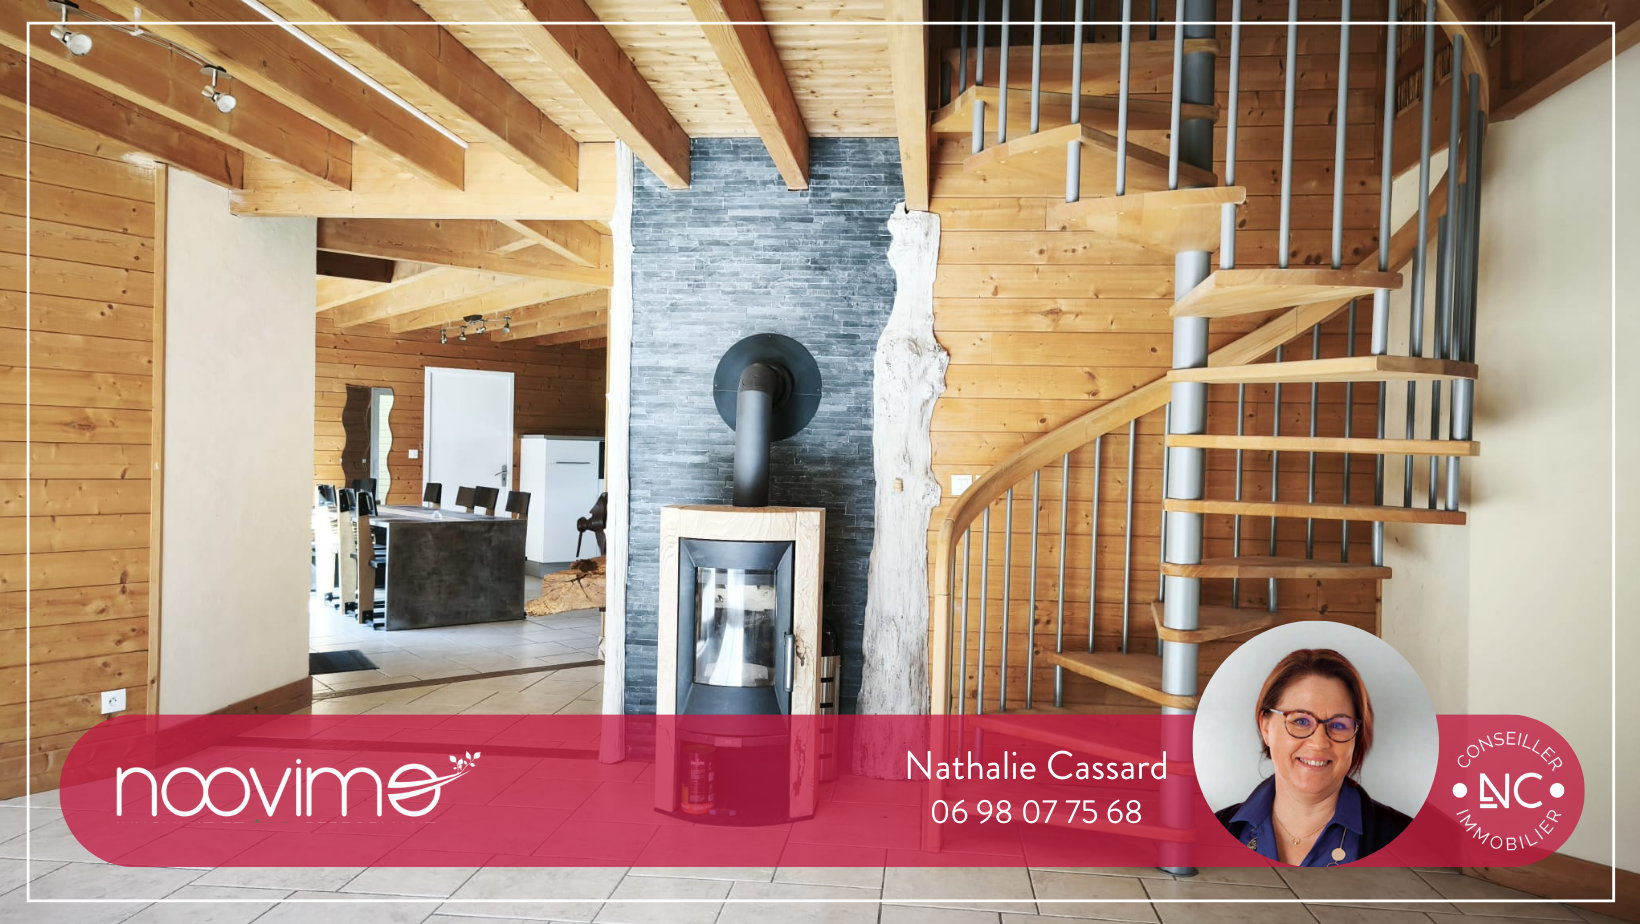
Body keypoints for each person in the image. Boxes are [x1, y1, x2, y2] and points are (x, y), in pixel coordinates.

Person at [1214, 648, 1412, 866]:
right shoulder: (1214, 830)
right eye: (1300, 721)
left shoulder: (1409, 838)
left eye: (1338, 725)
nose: (1319, 743)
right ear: (1266, 727)